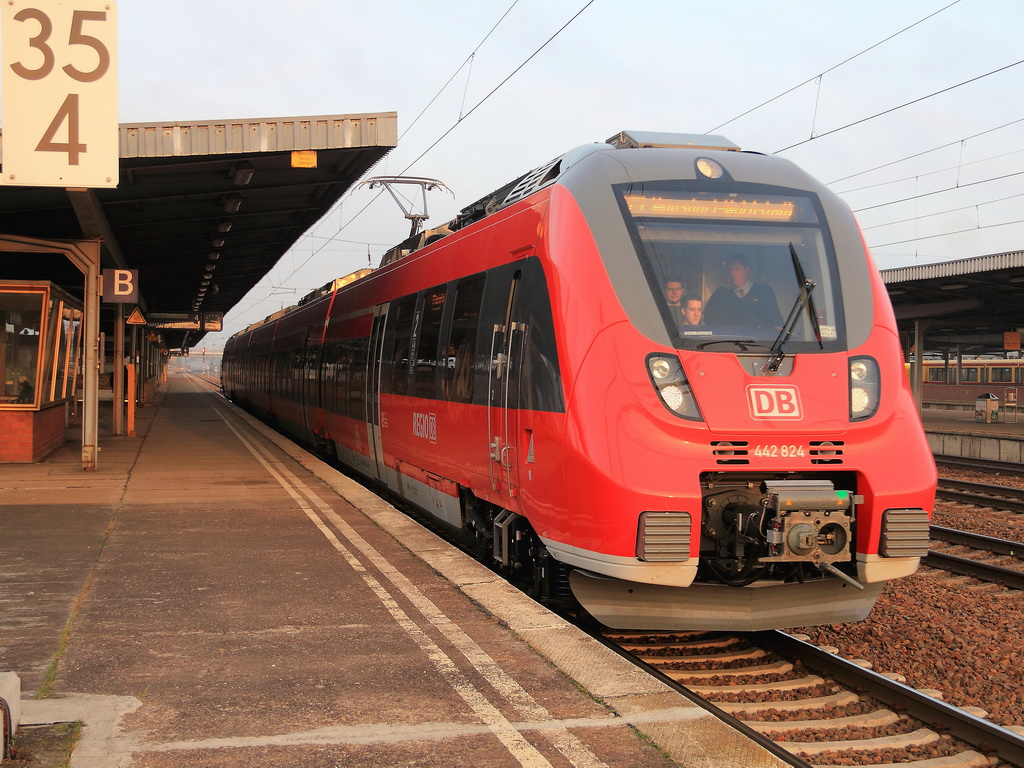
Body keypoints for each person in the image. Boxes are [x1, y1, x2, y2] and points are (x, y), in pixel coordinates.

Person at [702, 254, 783, 329]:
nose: (732, 273)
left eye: (737, 269)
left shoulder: (763, 291)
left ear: (746, 270)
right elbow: (710, 323)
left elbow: (776, 324)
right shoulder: (723, 297)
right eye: (730, 270)